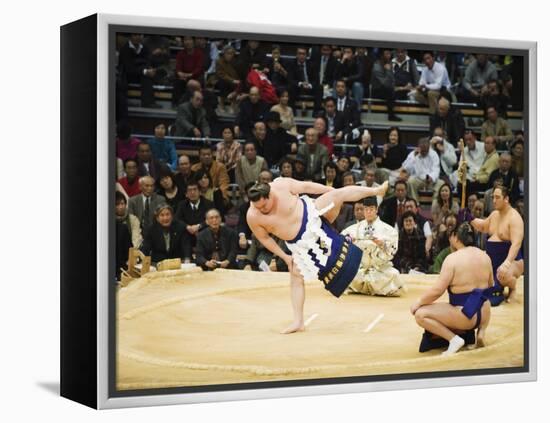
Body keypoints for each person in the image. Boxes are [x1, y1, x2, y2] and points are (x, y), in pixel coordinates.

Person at [246, 178, 389, 333]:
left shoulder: (281, 185)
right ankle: (298, 322)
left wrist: (328, 190)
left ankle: (376, 191)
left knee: (338, 194)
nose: (262, 209)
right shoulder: (253, 216)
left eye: (264, 205)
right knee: (295, 277)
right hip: (300, 243)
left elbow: (307, 186)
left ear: (269, 195)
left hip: (314, 214)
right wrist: (285, 257)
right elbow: (264, 239)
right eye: (257, 207)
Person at [411, 223, 493, 355]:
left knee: (420, 314)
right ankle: (481, 331)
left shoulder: (452, 259)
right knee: (483, 298)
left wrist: (418, 302)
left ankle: (454, 339)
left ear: (455, 237)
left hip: (466, 316)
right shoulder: (485, 256)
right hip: (484, 313)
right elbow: (490, 286)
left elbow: (438, 291)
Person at [471, 185, 524, 304]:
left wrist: (507, 263)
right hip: (493, 261)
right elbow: (483, 226)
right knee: (475, 276)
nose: (494, 200)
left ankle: (512, 287)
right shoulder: (495, 215)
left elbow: (516, 244)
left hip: (512, 261)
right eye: (493, 197)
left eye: (497, 197)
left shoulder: (514, 218)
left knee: (503, 275)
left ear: (506, 199)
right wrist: (470, 218)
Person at [342, 196, 402, 296]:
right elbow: (342, 239)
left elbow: (392, 249)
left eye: (371, 209)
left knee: (393, 274)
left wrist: (382, 244)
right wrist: (349, 241)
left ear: (376, 210)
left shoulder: (387, 229)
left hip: (379, 269)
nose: (368, 212)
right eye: (366, 209)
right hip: (360, 268)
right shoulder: (355, 228)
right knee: (344, 271)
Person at [401, 137, 443, 202]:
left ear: (429, 147)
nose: (424, 152)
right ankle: (415, 204)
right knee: (410, 181)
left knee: (441, 183)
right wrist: (414, 157)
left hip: (431, 180)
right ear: (419, 147)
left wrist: (431, 177)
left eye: (426, 150)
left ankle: (435, 205)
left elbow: (436, 169)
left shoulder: (434, 154)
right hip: (418, 179)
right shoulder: (413, 154)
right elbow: (406, 168)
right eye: (422, 150)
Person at [287, 46, 322, 112]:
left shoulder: (312, 64)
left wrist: (309, 85)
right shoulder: (291, 64)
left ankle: (316, 112)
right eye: (300, 54)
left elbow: (316, 79)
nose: (301, 56)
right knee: (290, 87)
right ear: (296, 55)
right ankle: (292, 111)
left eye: (303, 54)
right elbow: (290, 79)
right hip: (298, 87)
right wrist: (301, 84)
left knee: (320, 87)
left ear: (306, 55)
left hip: (309, 87)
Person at [370, 49, 401, 121]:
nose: (389, 56)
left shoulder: (389, 64)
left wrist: (395, 87)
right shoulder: (376, 66)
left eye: (389, 54)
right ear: (382, 56)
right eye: (387, 54)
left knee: (398, 91)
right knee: (389, 91)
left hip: (386, 89)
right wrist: (387, 70)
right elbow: (385, 83)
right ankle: (391, 115)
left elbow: (392, 79)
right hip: (376, 90)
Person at [173, 36, 205, 106]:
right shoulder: (180, 53)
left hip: (196, 76)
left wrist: (189, 75)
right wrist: (180, 73)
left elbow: (199, 68)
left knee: (192, 83)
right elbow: (178, 67)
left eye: (189, 40)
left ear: (193, 41)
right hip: (184, 76)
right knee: (178, 81)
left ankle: (191, 105)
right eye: (185, 40)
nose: (187, 42)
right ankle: (177, 104)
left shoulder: (199, 53)